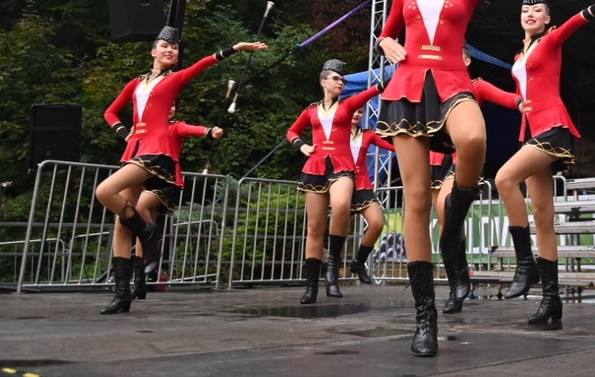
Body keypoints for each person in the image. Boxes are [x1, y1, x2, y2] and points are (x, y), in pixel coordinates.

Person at [375, 0, 595, 357]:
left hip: (452, 85)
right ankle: (425, 316)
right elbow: (386, 36)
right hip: (406, 92)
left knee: (475, 139)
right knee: (418, 202)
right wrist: (386, 43)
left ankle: (462, 200)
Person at [96, 26, 267, 315]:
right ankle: (122, 294)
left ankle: (147, 232)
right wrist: (124, 133)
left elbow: (203, 64)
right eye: (164, 45)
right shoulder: (136, 83)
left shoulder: (174, 79)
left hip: (157, 150)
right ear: (153, 51)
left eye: (174, 48)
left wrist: (235, 48)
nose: (170, 50)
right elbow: (110, 112)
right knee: (119, 223)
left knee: (104, 191)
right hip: (135, 149)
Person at [493, 0, 595, 329]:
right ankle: (551, 300)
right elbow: (525, 90)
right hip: (533, 129)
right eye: (525, 11)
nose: (530, 14)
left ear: (547, 18)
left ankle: (525, 263)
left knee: (504, 179)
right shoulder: (517, 57)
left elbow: (574, 23)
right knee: (543, 217)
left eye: (537, 11)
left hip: (552, 128)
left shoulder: (550, 41)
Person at [286, 59, 383, 303]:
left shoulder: (349, 105)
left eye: (343, 79)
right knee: (315, 228)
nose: (341, 82)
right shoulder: (310, 110)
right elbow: (292, 131)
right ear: (324, 82)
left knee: (340, 205)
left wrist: (404, 69)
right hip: (316, 166)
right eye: (336, 79)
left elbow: (377, 88)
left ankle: (332, 272)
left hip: (342, 166)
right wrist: (302, 145)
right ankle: (311, 286)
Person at [434, 47, 519, 314]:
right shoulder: (438, 88)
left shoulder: (476, 86)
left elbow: (509, 99)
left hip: (469, 161)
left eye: (458, 54)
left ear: (468, 60)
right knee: (444, 212)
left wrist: (527, 99)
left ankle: (459, 285)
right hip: (448, 160)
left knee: (449, 207)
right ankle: (458, 283)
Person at [128, 116, 225, 303]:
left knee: (141, 206)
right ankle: (139, 283)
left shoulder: (175, 127)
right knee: (142, 233)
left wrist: (210, 130)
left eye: (173, 105)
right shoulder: (148, 126)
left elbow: (190, 129)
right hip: (148, 177)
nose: (170, 108)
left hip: (168, 179)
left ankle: (154, 240)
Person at [346, 94, 396, 285]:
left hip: (363, 184)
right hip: (340, 183)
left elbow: (392, 147)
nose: (357, 114)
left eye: (360, 111)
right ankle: (330, 272)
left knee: (377, 223)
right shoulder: (335, 133)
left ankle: (358, 262)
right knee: (337, 231)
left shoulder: (368, 134)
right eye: (354, 110)